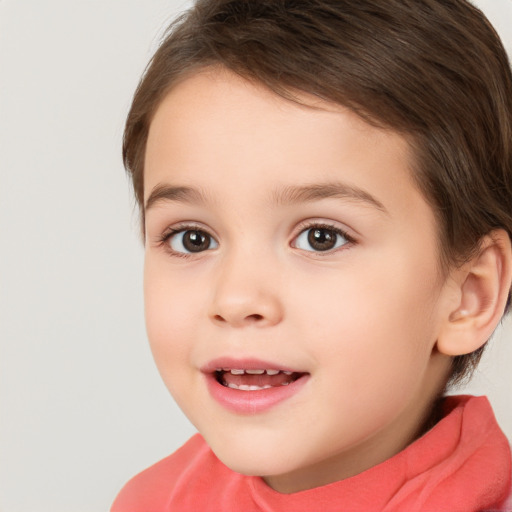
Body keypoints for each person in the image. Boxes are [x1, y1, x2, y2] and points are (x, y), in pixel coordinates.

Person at [111, 0, 512, 510]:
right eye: (193, 238)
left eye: (321, 237)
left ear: (469, 295)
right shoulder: (152, 501)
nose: (236, 299)